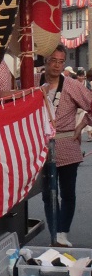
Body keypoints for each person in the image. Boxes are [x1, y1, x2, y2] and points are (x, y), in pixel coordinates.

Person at [40, 45, 92, 247]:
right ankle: (55, 233)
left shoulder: (71, 85)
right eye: (53, 60)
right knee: (47, 195)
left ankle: (63, 232)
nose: (57, 65)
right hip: (42, 149)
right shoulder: (36, 83)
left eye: (61, 61)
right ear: (46, 61)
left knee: (67, 193)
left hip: (67, 144)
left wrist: (82, 125)